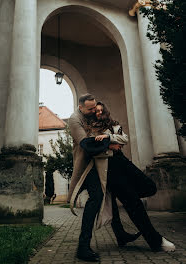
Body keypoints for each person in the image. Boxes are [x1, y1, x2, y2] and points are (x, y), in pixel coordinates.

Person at [78, 100, 176, 255]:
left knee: (150, 186)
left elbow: (123, 139)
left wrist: (108, 139)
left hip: (122, 162)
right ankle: (155, 241)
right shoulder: (91, 129)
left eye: (101, 110)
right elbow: (90, 145)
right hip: (110, 168)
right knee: (133, 203)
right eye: (96, 111)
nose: (98, 113)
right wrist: (109, 143)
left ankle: (123, 230)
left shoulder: (114, 126)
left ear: (106, 111)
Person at [68, 94, 140, 262]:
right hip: (87, 166)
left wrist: (111, 138)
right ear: (81, 108)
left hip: (101, 163)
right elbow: (87, 145)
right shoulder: (74, 120)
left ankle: (120, 234)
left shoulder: (91, 115)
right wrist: (110, 144)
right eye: (90, 109)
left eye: (95, 108)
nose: (94, 111)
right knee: (97, 198)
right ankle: (83, 246)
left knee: (110, 194)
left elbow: (106, 129)